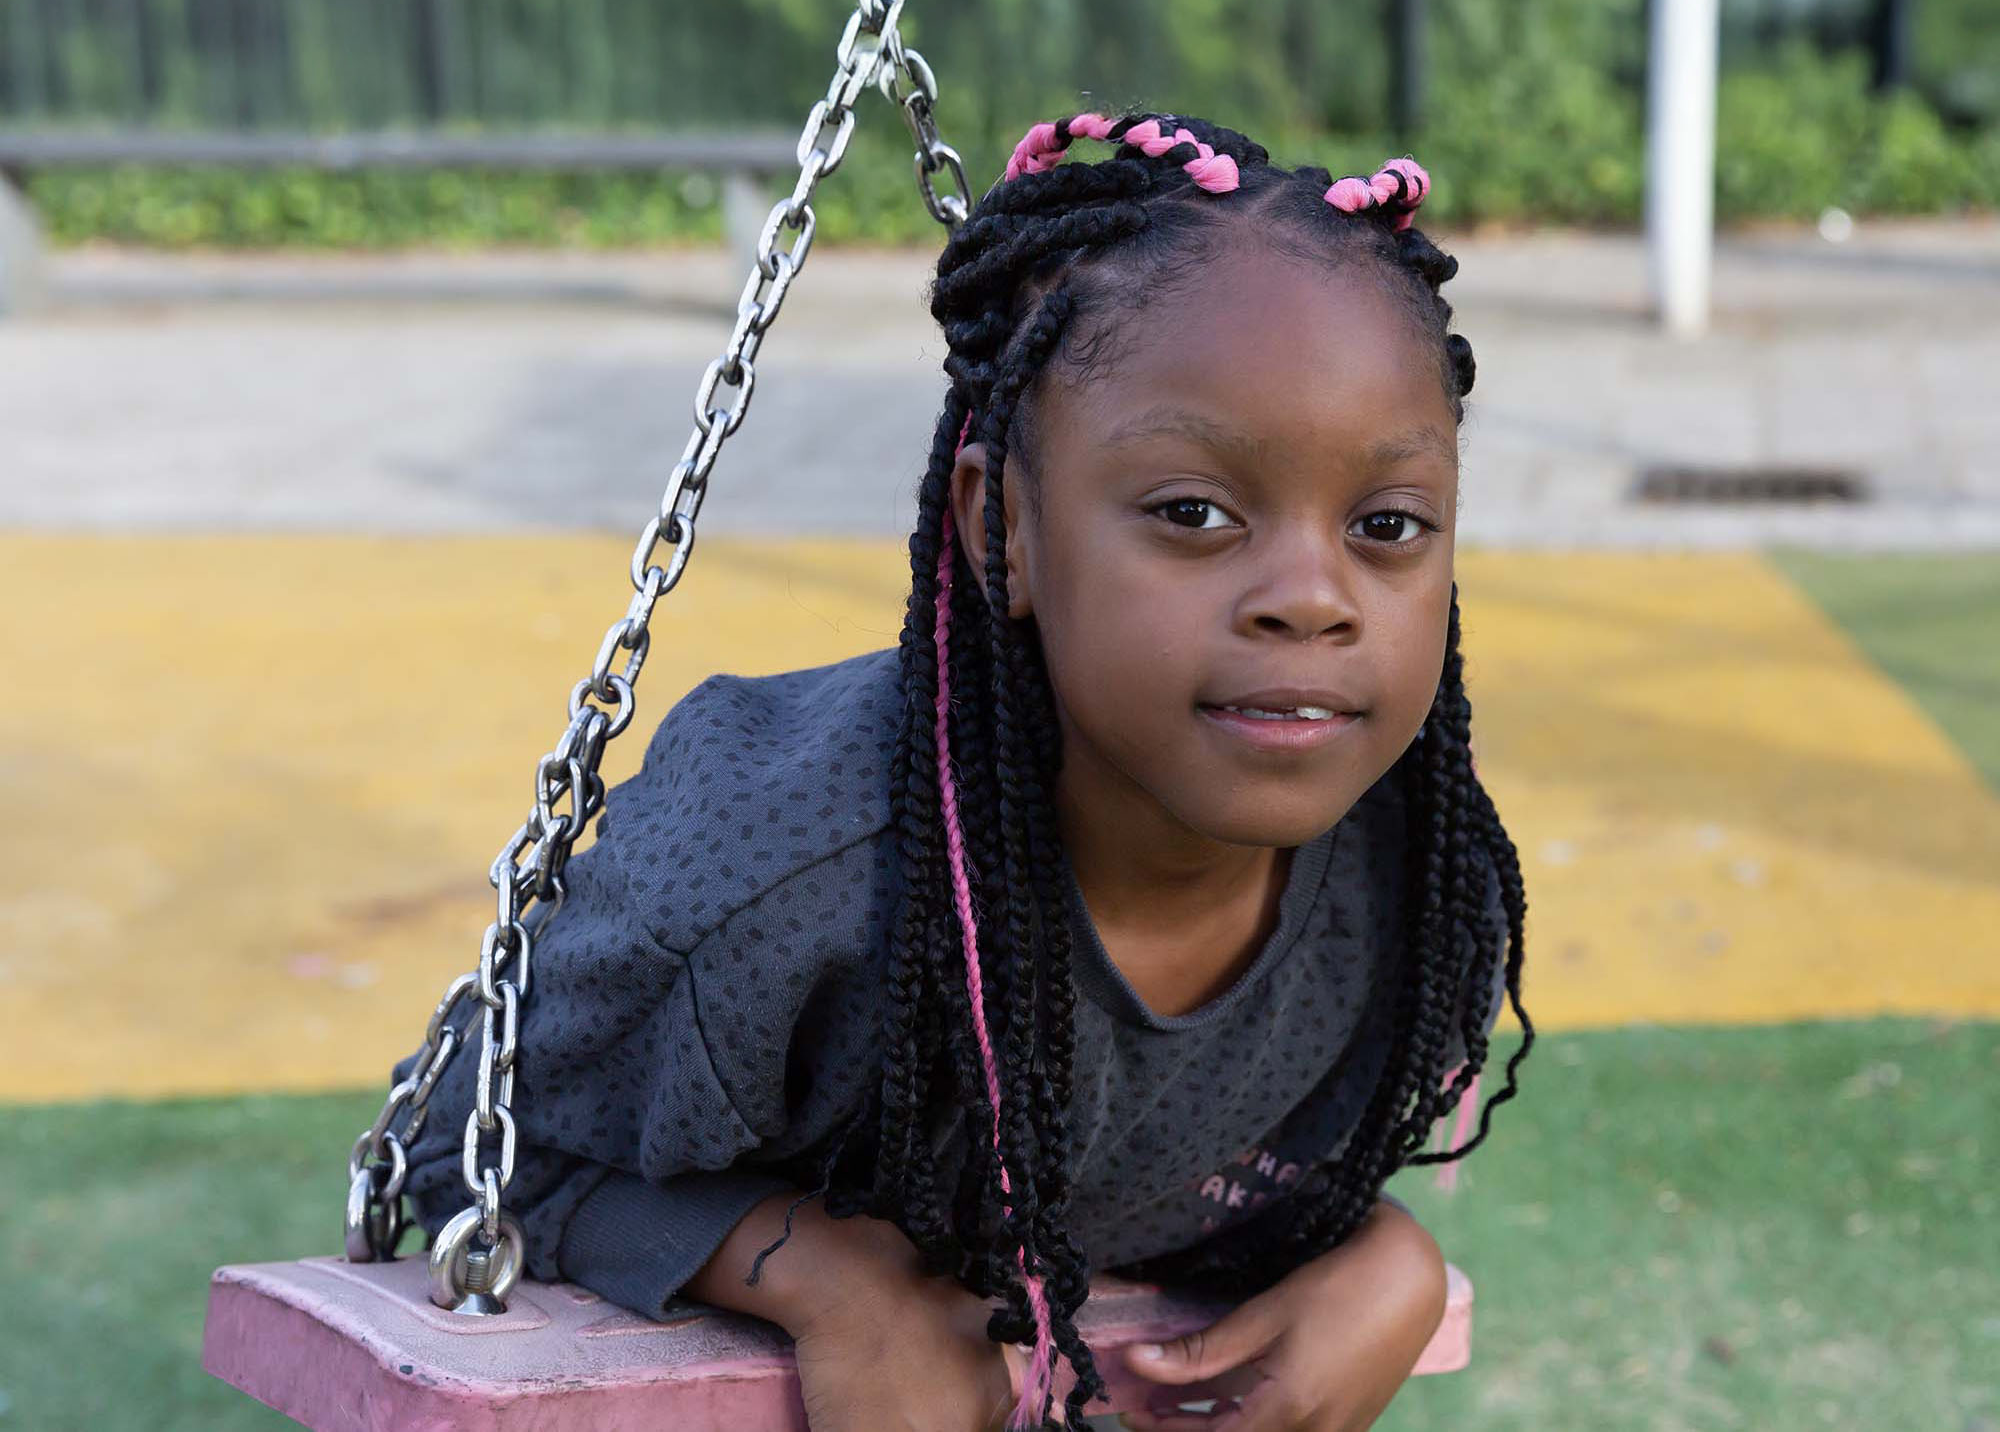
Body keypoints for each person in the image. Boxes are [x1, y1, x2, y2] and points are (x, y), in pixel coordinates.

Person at [395, 109, 1534, 1432]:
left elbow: (1206, 1178)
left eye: (1388, 526)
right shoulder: (774, 881)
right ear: (1002, 526)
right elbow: (460, 1140)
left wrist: (1382, 1256)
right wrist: (823, 1274)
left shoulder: (1409, 893)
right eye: (1194, 514)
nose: (1310, 600)